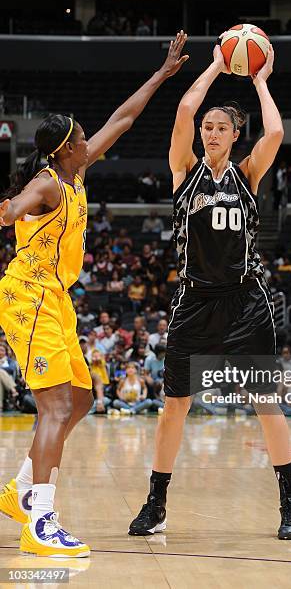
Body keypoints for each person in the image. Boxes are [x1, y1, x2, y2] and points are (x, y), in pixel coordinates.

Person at [0, 31, 188, 558]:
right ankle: (41, 522)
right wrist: (9, 209)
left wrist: (162, 74)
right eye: (83, 137)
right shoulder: (48, 185)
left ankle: (20, 490)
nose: (91, 140)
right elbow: (11, 211)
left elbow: (123, 120)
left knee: (81, 398)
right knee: (55, 406)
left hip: (54, 298)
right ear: (65, 149)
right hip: (28, 295)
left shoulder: (76, 170)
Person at [129, 41, 291, 540]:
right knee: (174, 407)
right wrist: (215, 64)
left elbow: (275, 132)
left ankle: (290, 504)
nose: (209, 132)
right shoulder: (184, 172)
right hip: (194, 300)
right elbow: (185, 107)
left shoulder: (248, 174)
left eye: (219, 127)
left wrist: (259, 81)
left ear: (234, 136)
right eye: (207, 127)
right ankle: (156, 503)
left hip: (246, 302)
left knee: (265, 403)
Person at [0, 342, 19, 412]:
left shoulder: (9, 361)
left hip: (10, 379)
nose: (0, 352)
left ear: (5, 352)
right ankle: (13, 389)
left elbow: (11, 369)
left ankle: (0, 407)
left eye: (2, 350)